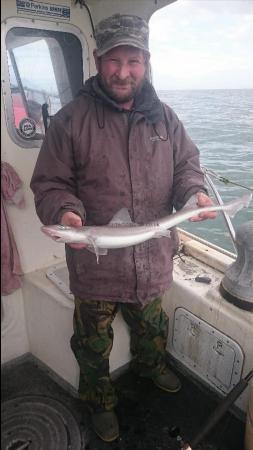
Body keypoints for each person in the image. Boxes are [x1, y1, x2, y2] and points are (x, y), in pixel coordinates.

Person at [30, 13, 216, 443]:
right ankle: (100, 400)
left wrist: (195, 195)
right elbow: (50, 184)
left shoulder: (165, 119)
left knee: (152, 326)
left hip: (152, 260)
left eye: (134, 61)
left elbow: (188, 166)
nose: (123, 71)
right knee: (93, 345)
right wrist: (66, 215)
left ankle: (151, 366)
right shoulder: (70, 120)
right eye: (114, 60)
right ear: (98, 60)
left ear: (146, 63)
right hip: (96, 269)